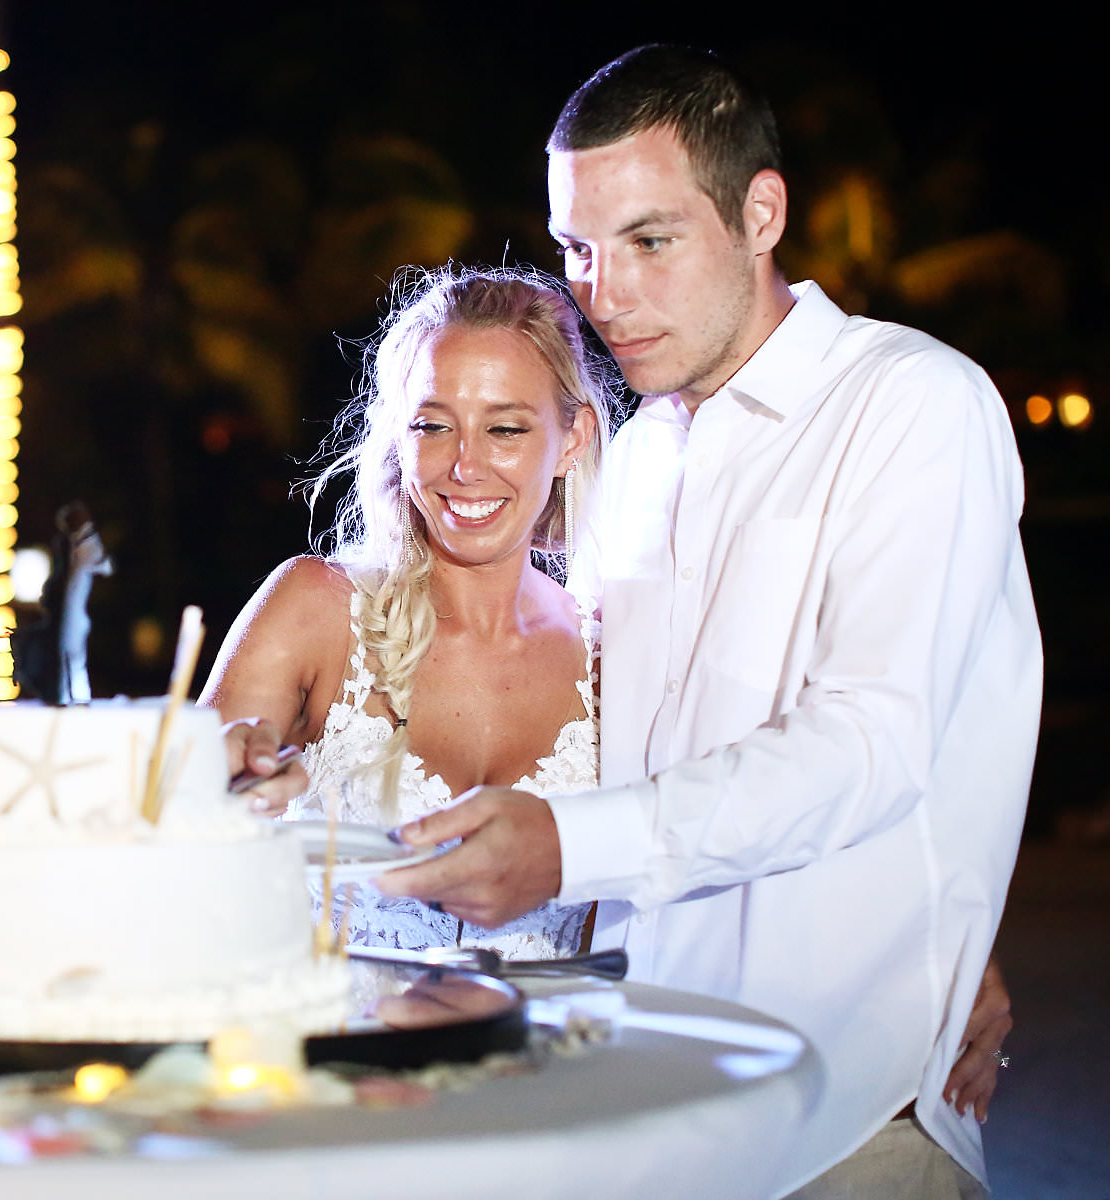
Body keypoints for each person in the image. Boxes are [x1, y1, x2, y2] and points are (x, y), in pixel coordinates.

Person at [360, 45, 1034, 1198]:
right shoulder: (643, 457)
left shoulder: (912, 403)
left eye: (649, 241)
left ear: (759, 213)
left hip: (848, 1115)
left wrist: (942, 928)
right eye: (578, 247)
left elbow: (872, 743)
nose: (602, 291)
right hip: (656, 1110)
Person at [206, 265, 611, 959]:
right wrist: (216, 779)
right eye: (433, 425)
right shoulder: (316, 609)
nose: (465, 466)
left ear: (571, 440)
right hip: (326, 1058)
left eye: (506, 429)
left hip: (545, 1065)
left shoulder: (614, 658)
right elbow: (171, 839)